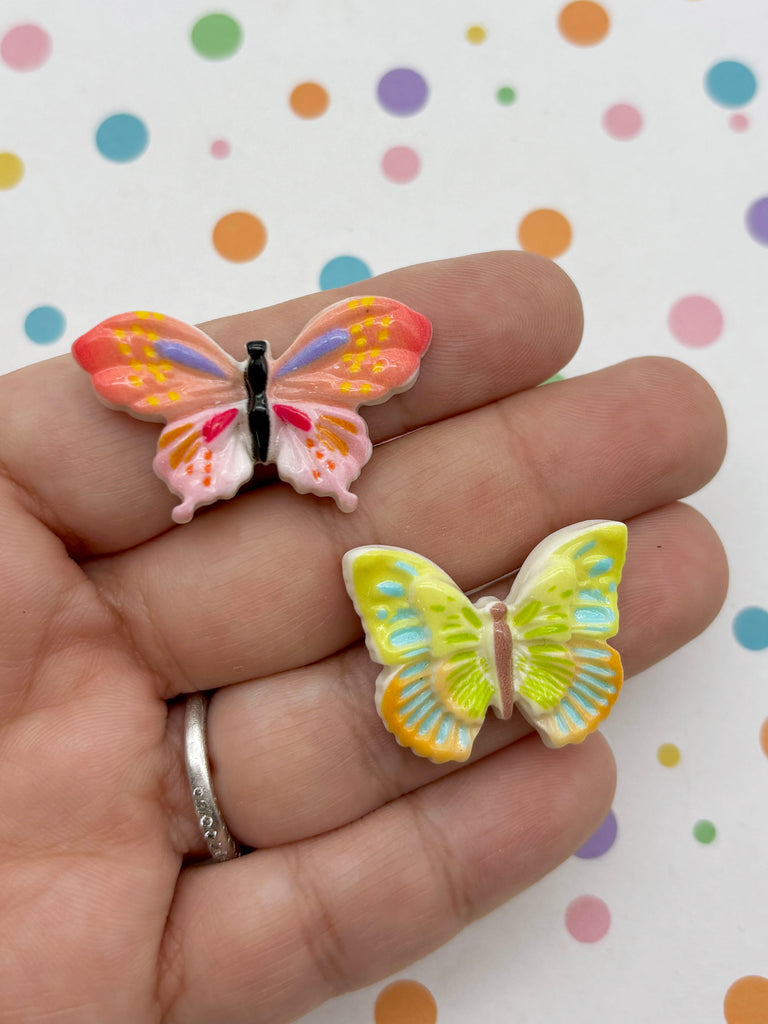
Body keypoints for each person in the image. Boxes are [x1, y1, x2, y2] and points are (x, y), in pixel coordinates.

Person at [0, 251, 727, 1023]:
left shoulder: (405, 579)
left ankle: (266, 482)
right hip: (284, 434)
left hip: (266, 455)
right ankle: (263, 482)